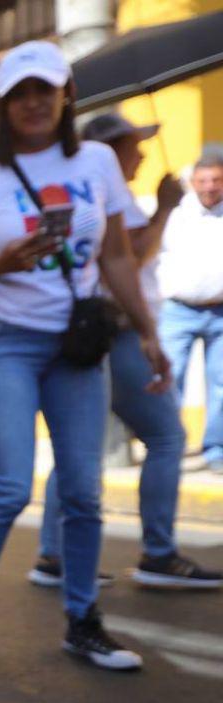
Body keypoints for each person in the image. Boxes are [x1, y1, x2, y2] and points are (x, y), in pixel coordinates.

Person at [0, 41, 171, 671]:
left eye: (45, 89)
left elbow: (117, 256)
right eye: (20, 94)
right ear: (4, 105)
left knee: (84, 493)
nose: (35, 103)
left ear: (65, 95)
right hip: (4, 341)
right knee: (10, 486)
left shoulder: (95, 161)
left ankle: (82, 622)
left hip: (77, 341)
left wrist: (148, 332)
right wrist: (0, 262)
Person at [30, 114, 221, 590]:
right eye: (134, 146)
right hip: (114, 333)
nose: (140, 154)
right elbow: (128, 261)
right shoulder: (104, 196)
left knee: (80, 448)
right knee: (165, 438)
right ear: (109, 150)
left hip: (106, 332)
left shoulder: (93, 194)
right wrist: (162, 209)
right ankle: (157, 553)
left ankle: (54, 555)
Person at [156, 150, 223, 473]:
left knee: (222, 383)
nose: (210, 186)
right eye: (203, 180)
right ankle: (169, 445)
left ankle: (215, 450)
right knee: (170, 377)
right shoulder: (176, 213)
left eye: (216, 180)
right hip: (177, 310)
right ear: (192, 181)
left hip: (220, 311)